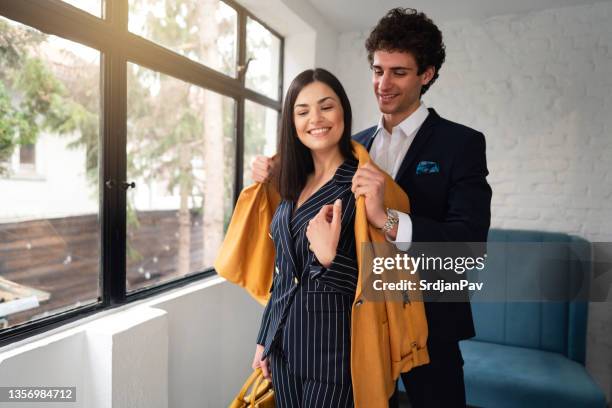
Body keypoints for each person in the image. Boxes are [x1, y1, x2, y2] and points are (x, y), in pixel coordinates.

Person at [252, 8, 492, 408]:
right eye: (378, 70)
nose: (384, 83)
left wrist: (388, 219)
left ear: (427, 74)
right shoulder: (352, 145)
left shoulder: (461, 144)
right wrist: (273, 173)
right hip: (351, 330)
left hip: (428, 324)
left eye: (398, 72)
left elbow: (467, 248)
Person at [252, 68, 359, 407]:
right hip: (282, 351)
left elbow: (381, 283)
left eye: (326, 106)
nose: (316, 118)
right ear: (292, 122)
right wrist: (264, 339)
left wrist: (332, 259)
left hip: (333, 358)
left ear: (343, 110)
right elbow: (283, 273)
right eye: (302, 111)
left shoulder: (359, 185)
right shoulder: (291, 184)